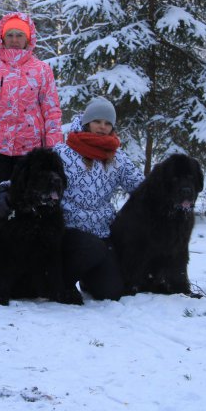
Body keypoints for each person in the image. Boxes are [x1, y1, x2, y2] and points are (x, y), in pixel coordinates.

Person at [0, 12, 63, 252]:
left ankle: (25, 273)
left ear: (29, 39)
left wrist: (53, 153)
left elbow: (51, 112)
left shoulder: (42, 70)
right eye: (11, 35)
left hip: (30, 155)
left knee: (29, 210)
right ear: (2, 37)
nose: (15, 39)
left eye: (20, 35)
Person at [53, 97, 143, 300]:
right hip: (67, 231)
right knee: (91, 248)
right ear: (87, 122)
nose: (102, 127)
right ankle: (60, 282)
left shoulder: (117, 158)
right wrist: (6, 190)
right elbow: (35, 176)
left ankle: (88, 277)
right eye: (97, 121)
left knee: (111, 291)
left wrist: (168, 188)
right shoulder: (63, 152)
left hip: (102, 233)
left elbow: (142, 187)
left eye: (108, 123)